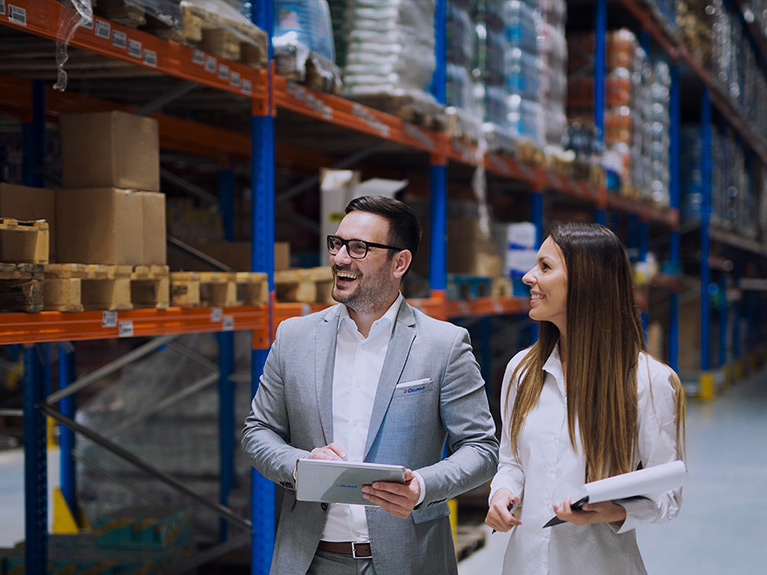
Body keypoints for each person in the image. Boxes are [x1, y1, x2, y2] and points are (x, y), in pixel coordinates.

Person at [242, 195, 499, 575]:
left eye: (359, 248)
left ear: (400, 262)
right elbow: (257, 431)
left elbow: (481, 448)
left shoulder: (443, 345)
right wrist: (298, 464)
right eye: (337, 244)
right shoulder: (295, 337)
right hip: (310, 559)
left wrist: (421, 487)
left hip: (409, 559)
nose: (340, 258)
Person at [485, 222, 686, 575]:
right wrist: (501, 495)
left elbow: (667, 497)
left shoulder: (649, 382)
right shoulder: (522, 370)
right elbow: (511, 463)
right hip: (524, 565)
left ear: (586, 280)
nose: (529, 277)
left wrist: (616, 510)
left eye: (546, 267)